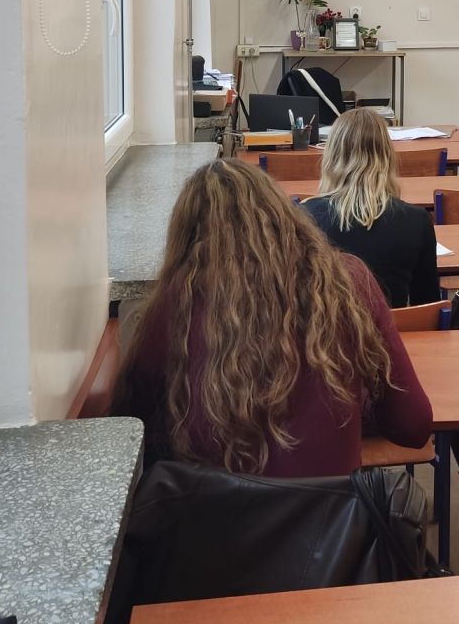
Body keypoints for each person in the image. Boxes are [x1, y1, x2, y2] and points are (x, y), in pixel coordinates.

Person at [112, 159, 433, 476]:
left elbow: (133, 425)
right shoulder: (347, 283)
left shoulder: (176, 303)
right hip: (333, 508)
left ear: (187, 240)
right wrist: (349, 404)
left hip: (216, 508)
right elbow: (414, 425)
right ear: (284, 216)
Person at [303, 108, 440, 308]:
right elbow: (428, 306)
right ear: (387, 155)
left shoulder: (304, 217)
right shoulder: (417, 221)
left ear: (331, 156)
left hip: (328, 327)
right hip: (393, 327)